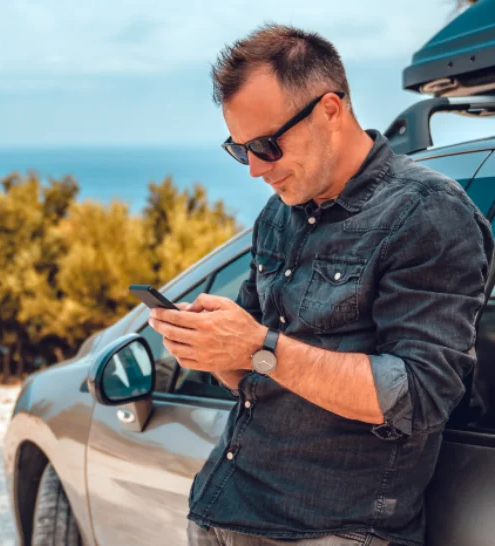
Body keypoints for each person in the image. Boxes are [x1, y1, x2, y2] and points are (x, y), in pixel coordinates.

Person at [147, 24, 494, 546]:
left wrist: (258, 346)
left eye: (266, 145)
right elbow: (254, 377)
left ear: (330, 110)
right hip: (225, 510)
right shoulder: (279, 214)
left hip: (329, 532)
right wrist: (211, 347)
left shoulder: (428, 212)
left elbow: (421, 395)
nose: (256, 169)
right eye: (240, 150)